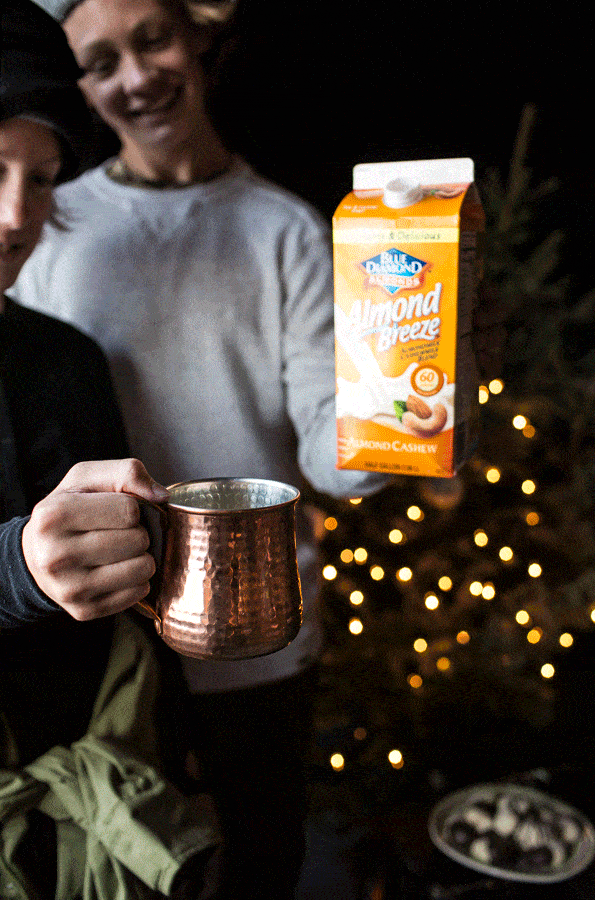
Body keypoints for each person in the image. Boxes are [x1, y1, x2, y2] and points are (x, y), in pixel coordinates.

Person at [10, 0, 392, 896]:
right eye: (100, 63)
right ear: (80, 88)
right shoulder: (52, 223)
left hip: (260, 642)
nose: (137, 78)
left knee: (262, 857)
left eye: (152, 40)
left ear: (201, 39)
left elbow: (338, 465)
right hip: (108, 650)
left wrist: (410, 415)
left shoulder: (286, 229)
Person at [1, 5, 222, 896]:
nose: (16, 215)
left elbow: (133, 612)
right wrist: (18, 566)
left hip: (97, 801)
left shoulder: (66, 360)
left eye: (42, 178)